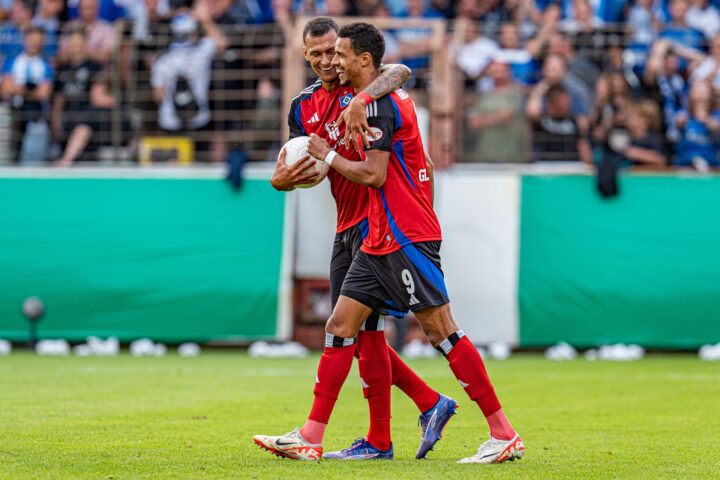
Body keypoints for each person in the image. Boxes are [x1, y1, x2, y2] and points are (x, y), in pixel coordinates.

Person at [256, 22, 524, 465]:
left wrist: (418, 216)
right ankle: (317, 436)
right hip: (375, 231)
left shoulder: (374, 98)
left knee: (439, 330)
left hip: (398, 230)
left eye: (337, 52)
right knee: (344, 327)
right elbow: (304, 158)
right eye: (321, 54)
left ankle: (500, 431)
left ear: (358, 60)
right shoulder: (308, 105)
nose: (331, 61)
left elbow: (380, 155)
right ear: (305, 56)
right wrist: (280, 179)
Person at [1, 26, 53, 163]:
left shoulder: (45, 64)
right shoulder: (13, 61)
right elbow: (6, 88)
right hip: (13, 109)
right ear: (25, 40)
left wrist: (19, 89)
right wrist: (30, 90)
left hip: (35, 112)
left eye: (38, 40)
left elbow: (44, 93)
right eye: (32, 39)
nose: (34, 43)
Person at [466, 57, 529, 163]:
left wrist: (483, 119)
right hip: (485, 155)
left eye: (501, 68)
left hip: (512, 156)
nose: (497, 71)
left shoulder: (516, 93)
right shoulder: (484, 96)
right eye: (494, 68)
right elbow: (473, 123)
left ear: (508, 71)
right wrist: (495, 117)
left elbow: (506, 116)